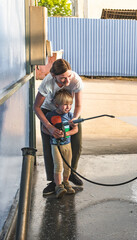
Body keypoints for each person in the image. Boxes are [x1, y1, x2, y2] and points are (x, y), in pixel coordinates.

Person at [34, 59, 84, 196]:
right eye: (62, 78)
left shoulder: (76, 79)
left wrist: (75, 118)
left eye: (69, 76)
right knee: (50, 144)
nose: (67, 81)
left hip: (68, 113)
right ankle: (53, 182)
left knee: (76, 143)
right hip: (49, 113)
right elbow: (36, 107)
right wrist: (49, 126)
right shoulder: (47, 82)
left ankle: (71, 173)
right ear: (53, 75)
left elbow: (78, 105)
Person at [42, 89, 78, 198]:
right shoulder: (50, 115)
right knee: (58, 166)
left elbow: (75, 130)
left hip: (67, 145)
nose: (68, 107)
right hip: (55, 145)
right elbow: (44, 128)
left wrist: (66, 134)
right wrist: (52, 132)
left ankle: (66, 183)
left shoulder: (70, 116)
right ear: (57, 104)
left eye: (70, 104)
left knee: (67, 165)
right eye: (65, 104)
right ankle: (58, 186)